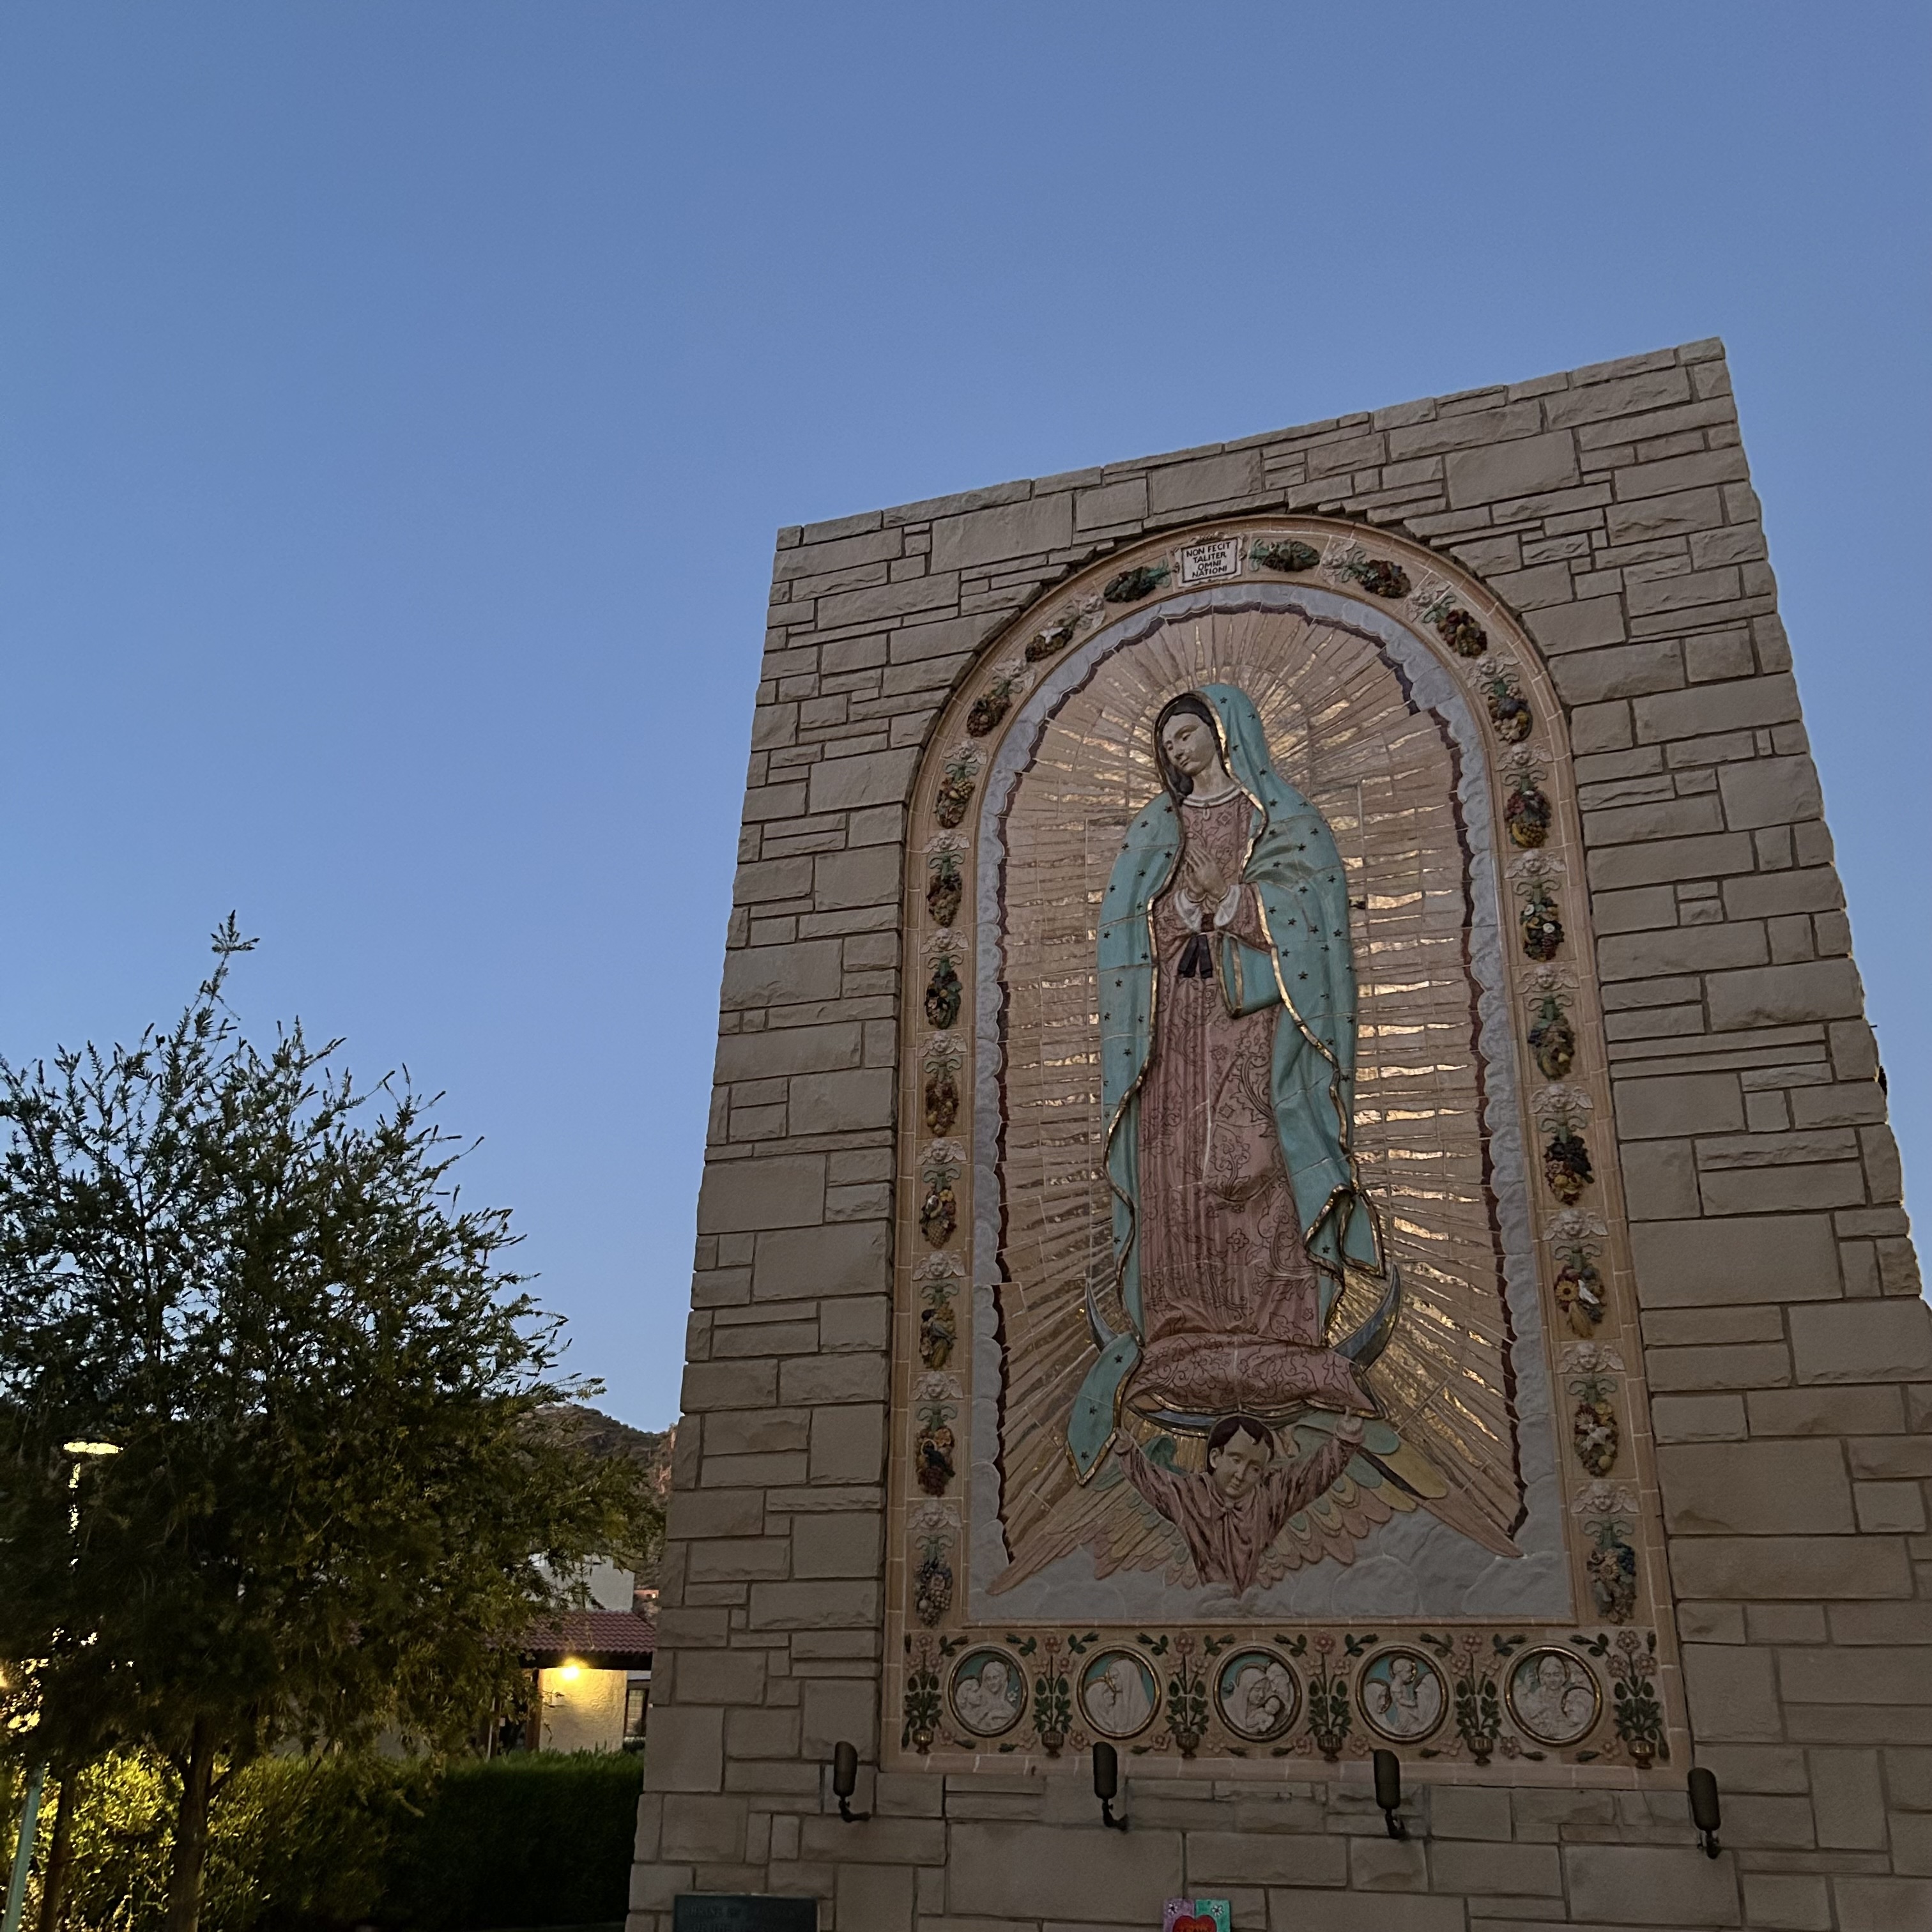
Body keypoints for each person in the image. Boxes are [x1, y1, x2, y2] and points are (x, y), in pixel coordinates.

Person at [1069, 684, 1387, 1479]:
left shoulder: (1284, 821)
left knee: (1256, 1162)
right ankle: (1179, 1329)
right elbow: (1124, 923)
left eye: (1187, 736)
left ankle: (1283, 1331)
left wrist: (1246, 904)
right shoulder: (1156, 829)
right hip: (1174, 1025)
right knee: (1178, 1168)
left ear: (1223, 734)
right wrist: (1171, 911)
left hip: (1256, 1025)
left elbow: (1313, 908)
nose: (1178, 754)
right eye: (1168, 744)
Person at [1116, 1411, 1364, 1593]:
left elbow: (1311, 1476)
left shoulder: (1270, 1498)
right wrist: (1127, 1450)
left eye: (1254, 1468)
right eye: (1235, 1459)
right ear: (1215, 1457)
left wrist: (1344, 1441)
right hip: (1207, 1606)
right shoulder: (1189, 1495)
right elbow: (1152, 1482)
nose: (1241, 1474)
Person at [1085, 1655, 1153, 1735]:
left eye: (1115, 1677)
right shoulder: (1112, 1707)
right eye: (1111, 1679)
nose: (1113, 1683)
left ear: (1127, 1677)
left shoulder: (1143, 1711)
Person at [954, 1657, 1016, 1733]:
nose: (992, 1682)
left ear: (1002, 1679)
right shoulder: (977, 1704)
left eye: (995, 1678)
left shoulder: (1009, 1709)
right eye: (989, 1679)